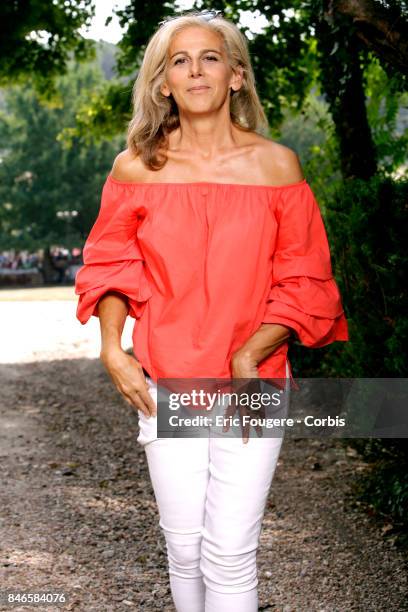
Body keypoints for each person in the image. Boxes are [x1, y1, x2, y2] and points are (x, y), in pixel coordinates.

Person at [75, 10, 349, 611]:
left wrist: (252, 350)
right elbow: (113, 268)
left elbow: (305, 279)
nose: (195, 70)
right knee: (185, 550)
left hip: (255, 383)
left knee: (229, 552)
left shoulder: (277, 167)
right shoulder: (135, 170)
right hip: (166, 383)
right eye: (179, 60)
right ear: (163, 83)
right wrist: (112, 348)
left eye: (209, 57)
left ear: (235, 77)